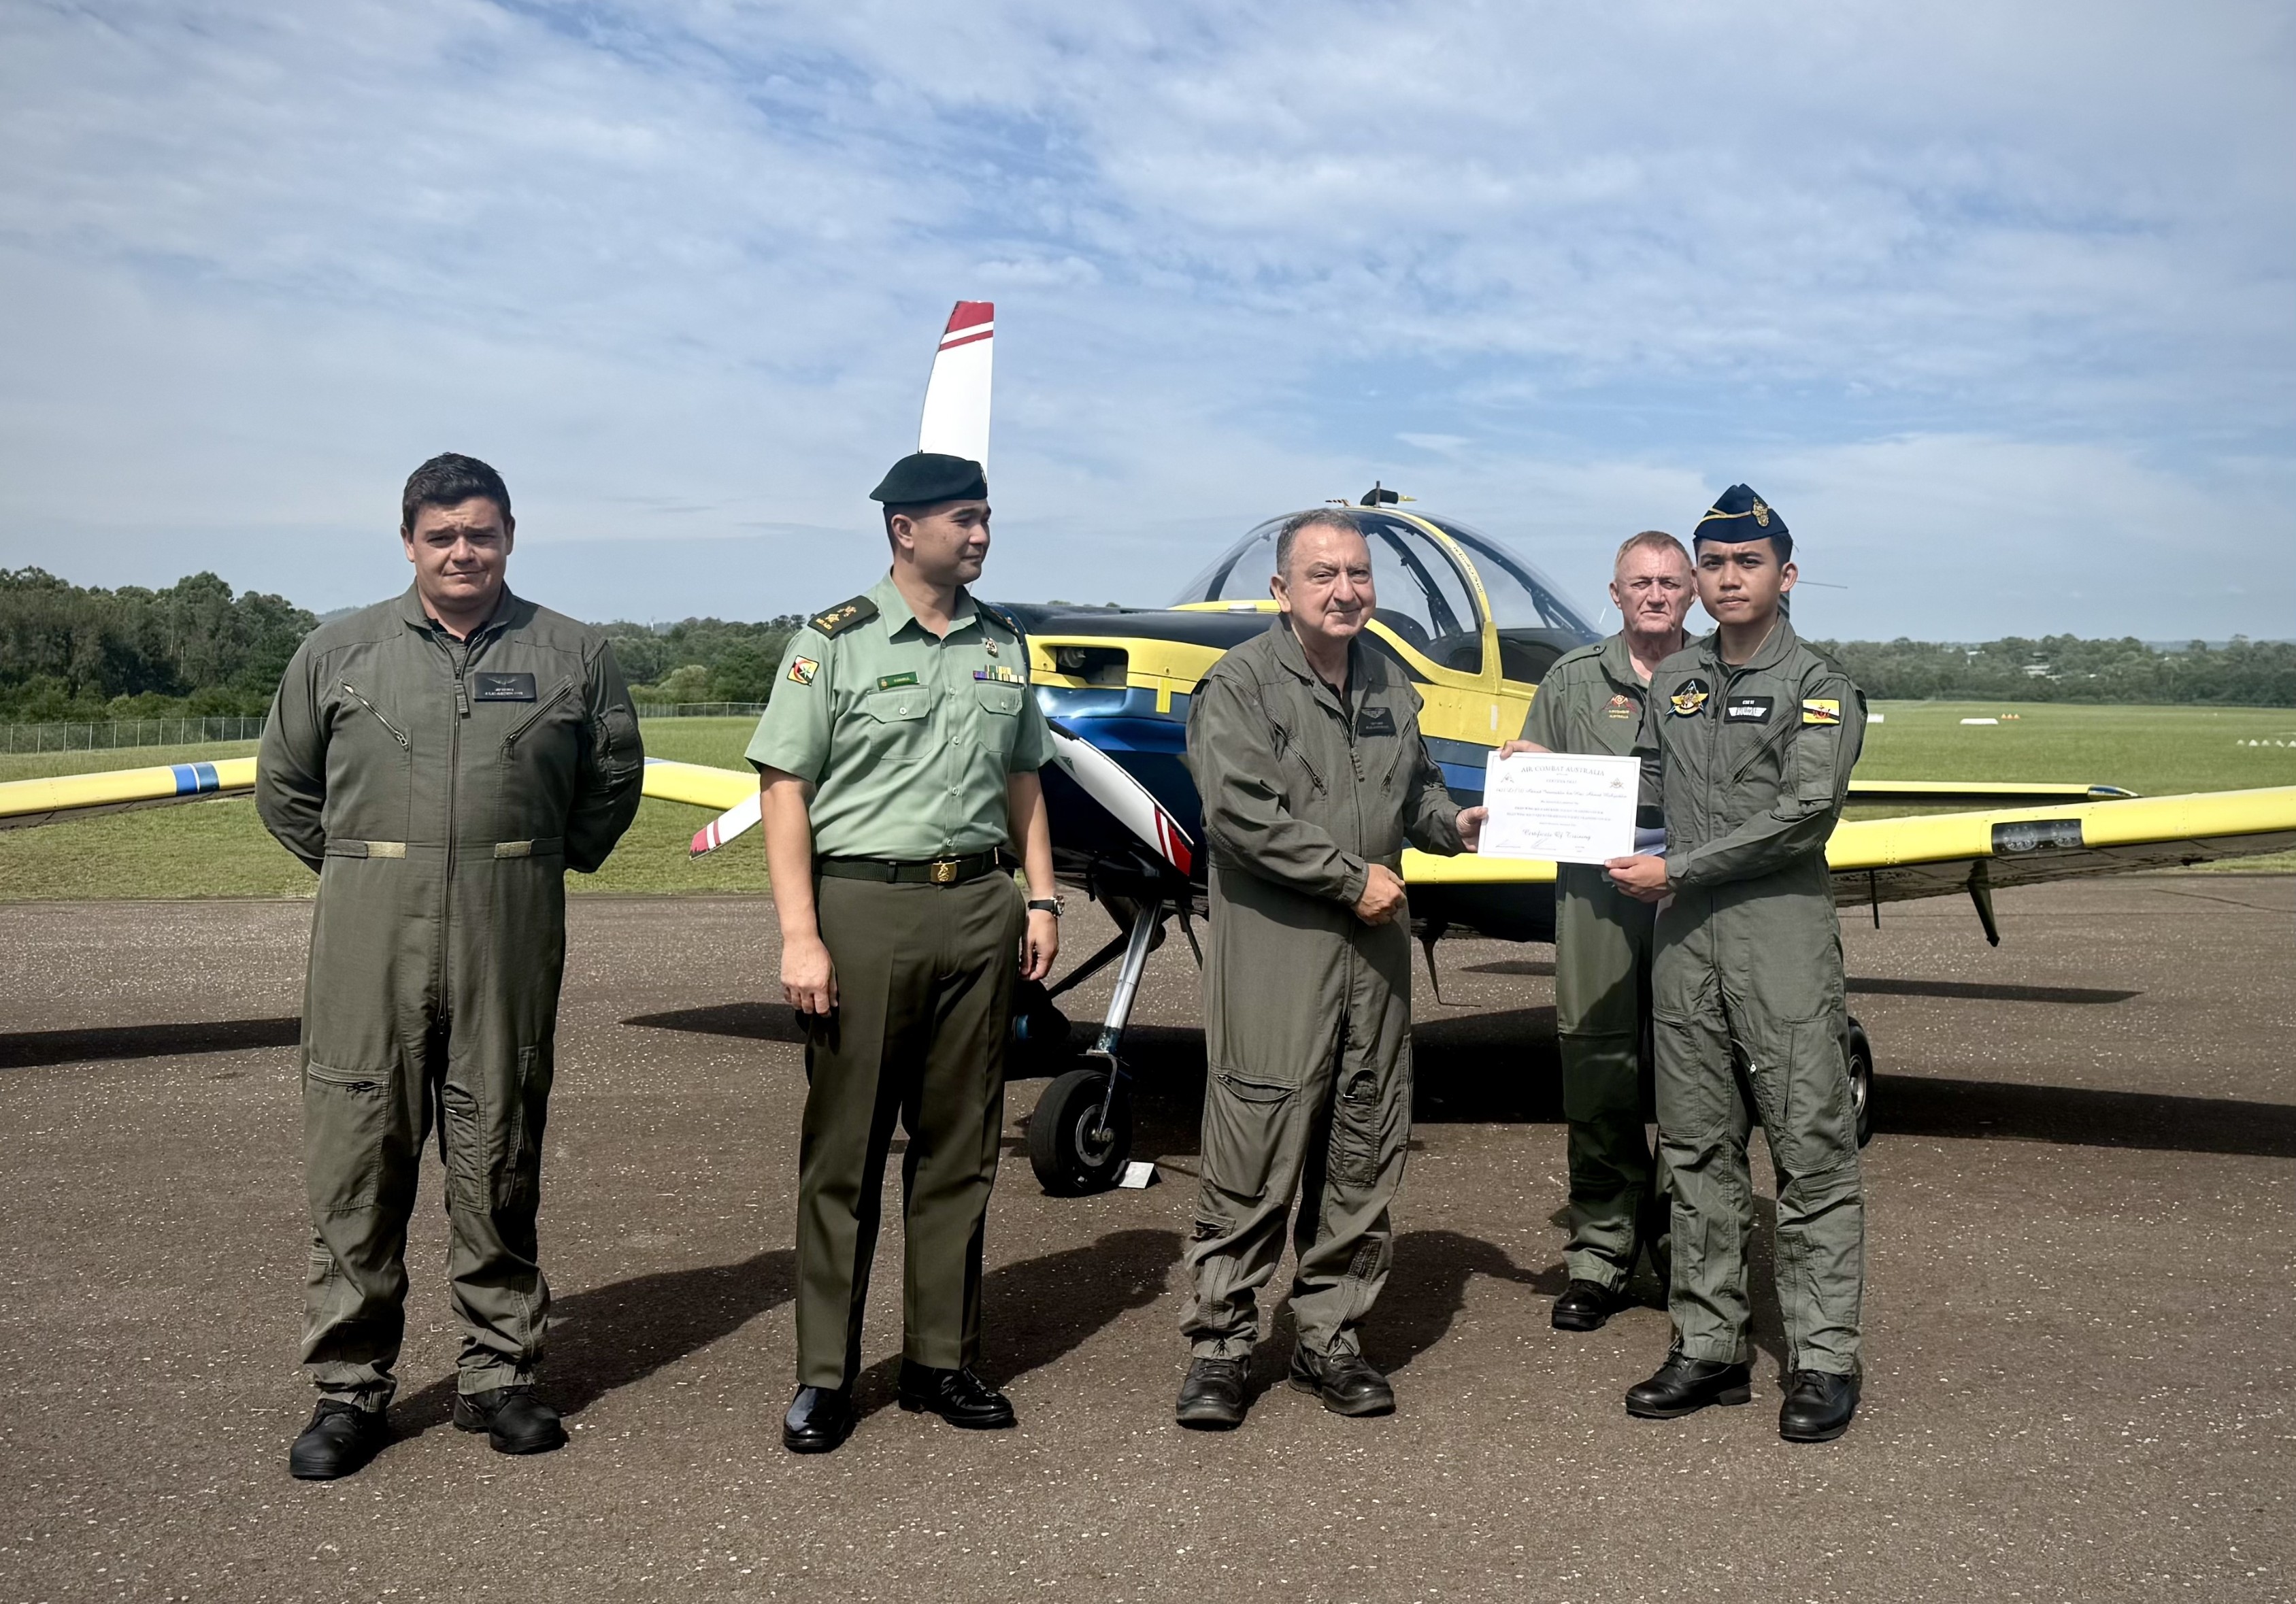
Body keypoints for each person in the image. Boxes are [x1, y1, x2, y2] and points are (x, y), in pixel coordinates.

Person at [257, 453, 645, 1480]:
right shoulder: (338, 652)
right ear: (408, 543)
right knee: (358, 1156)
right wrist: (370, 872)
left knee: (498, 1147)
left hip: (506, 928)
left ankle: (500, 1375)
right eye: (442, 536)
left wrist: (531, 864)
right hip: (369, 937)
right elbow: (285, 788)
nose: (462, 551)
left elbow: (612, 782)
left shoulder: (574, 654)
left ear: (510, 536)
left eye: (481, 533)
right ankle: (349, 1390)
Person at [747, 450, 1061, 1456]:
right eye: (963, 518)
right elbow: (783, 790)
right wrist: (801, 934)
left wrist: (1041, 896)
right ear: (903, 529)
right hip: (863, 906)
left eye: (985, 516)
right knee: (844, 1152)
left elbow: (1023, 777)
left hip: (978, 905)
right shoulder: (832, 642)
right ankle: (824, 1375)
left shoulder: (1001, 643)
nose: (980, 534)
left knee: (960, 1146)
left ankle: (939, 1358)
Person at [1175, 508, 1486, 1430]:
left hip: (1372, 957)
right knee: (1253, 1141)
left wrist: (1456, 824)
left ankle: (1329, 1338)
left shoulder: (1387, 677)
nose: (1345, 591)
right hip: (1281, 952)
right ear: (1282, 590)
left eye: (1358, 573)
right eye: (1323, 574)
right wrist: (1350, 880)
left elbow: (1416, 789)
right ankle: (1221, 1347)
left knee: (1362, 1141)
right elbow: (1241, 817)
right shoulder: (1237, 686)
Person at [1602, 484, 1868, 1443]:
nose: (1726, 578)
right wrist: (1539, 779)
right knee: (1695, 1153)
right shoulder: (1676, 679)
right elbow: (1645, 780)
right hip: (1684, 950)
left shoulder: (1821, 687)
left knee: (1811, 1153)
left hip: (1777, 945)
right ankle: (1709, 1344)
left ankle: (1822, 1359)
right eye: (1711, 563)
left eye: (1746, 562)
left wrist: (1679, 869)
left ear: (1784, 575)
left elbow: (1803, 815)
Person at [1499, 531, 1695, 1331]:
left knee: (1696, 1073)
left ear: (1690, 592)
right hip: (1596, 891)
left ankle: (1691, 1256)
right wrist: (1524, 771)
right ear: (1615, 594)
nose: (1655, 595)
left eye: (1670, 583)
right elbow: (1538, 776)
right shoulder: (1573, 679)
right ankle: (1601, 1255)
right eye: (1640, 583)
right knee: (1596, 1065)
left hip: (1693, 890)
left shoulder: (1720, 676)